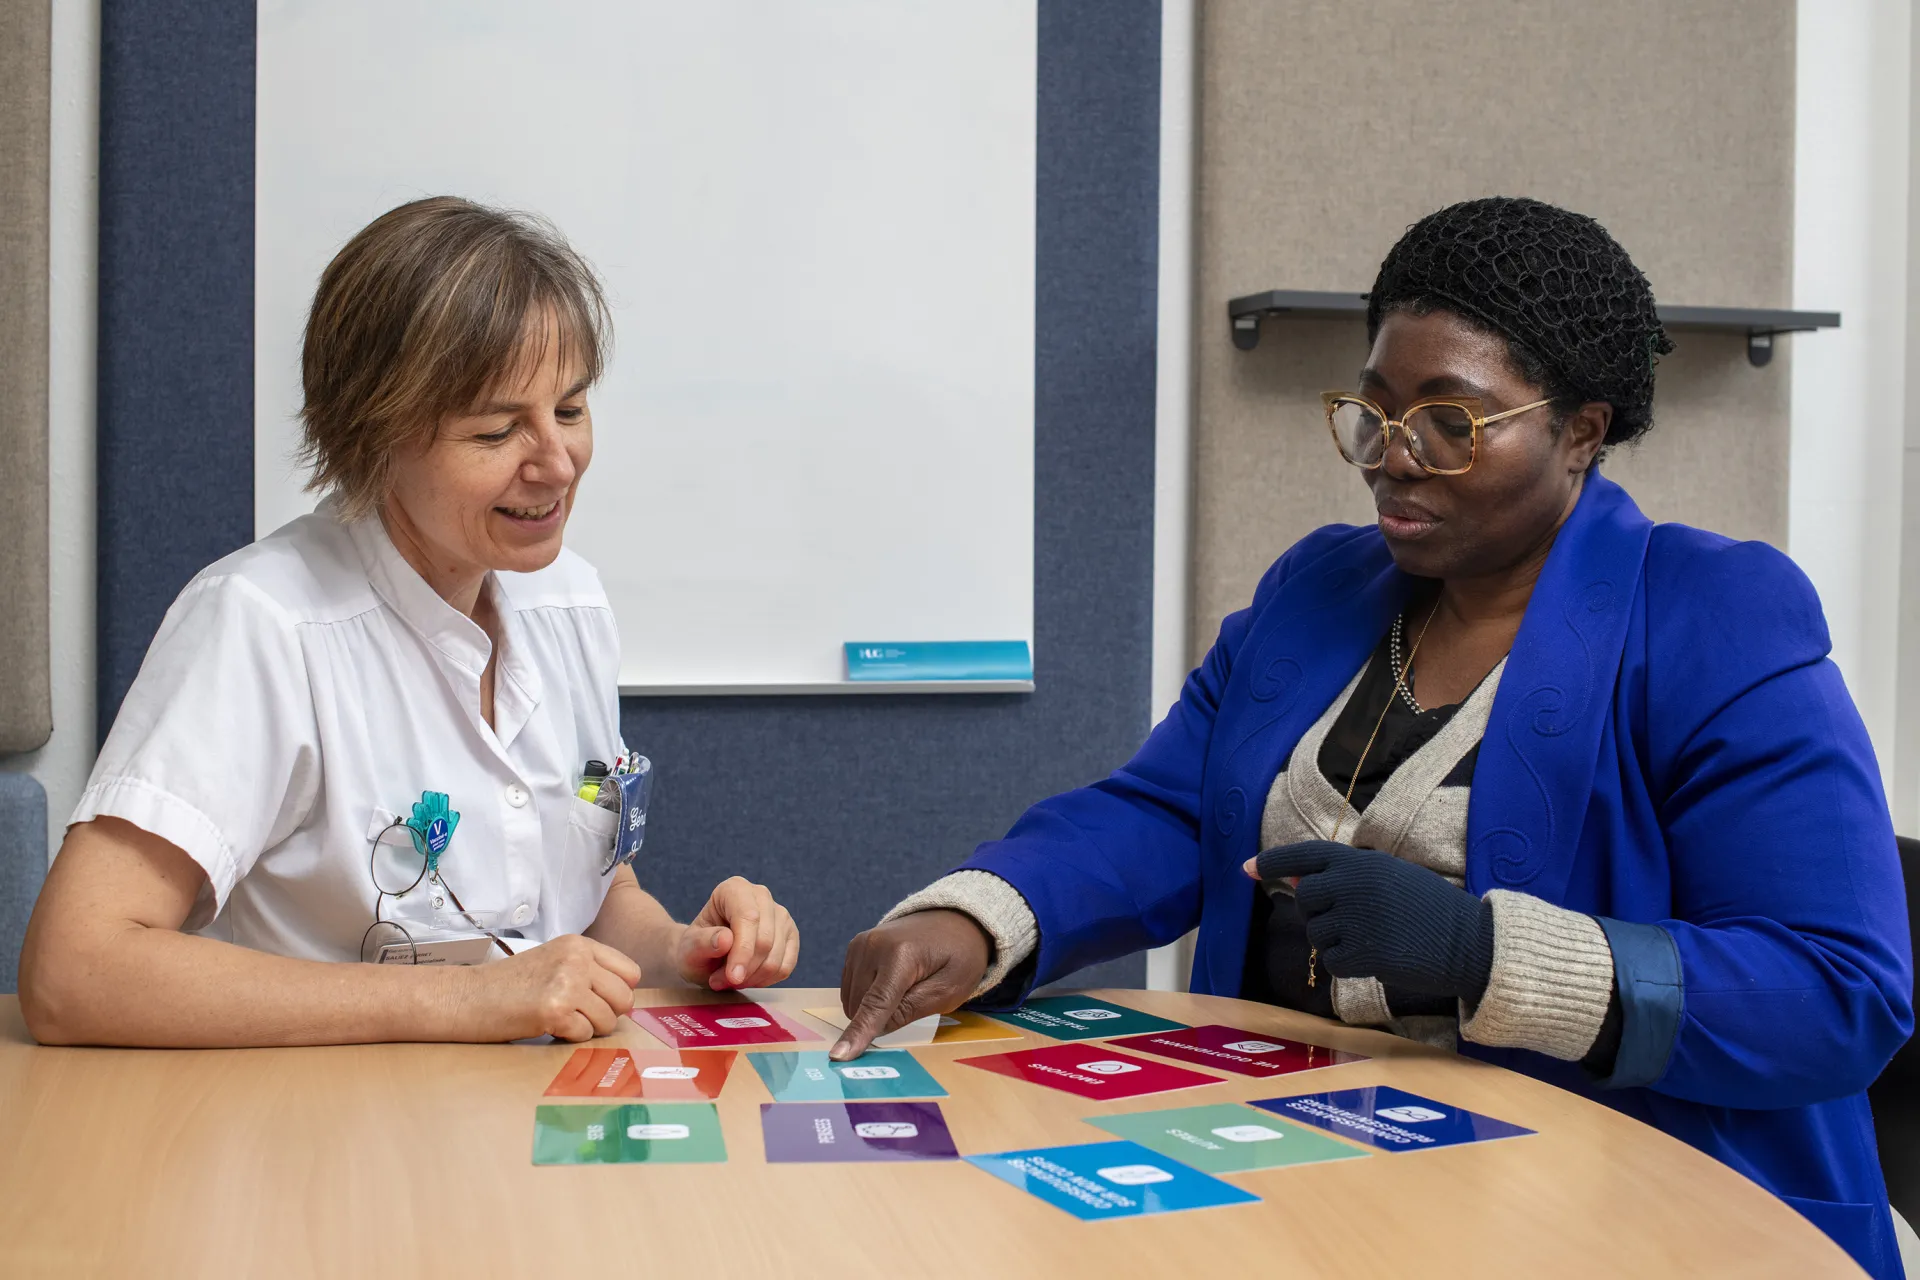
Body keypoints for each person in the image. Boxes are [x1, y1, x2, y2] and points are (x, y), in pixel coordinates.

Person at [833, 198, 1914, 1277]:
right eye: (1375, 410)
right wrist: (981, 916)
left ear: (1582, 428)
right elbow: (1167, 806)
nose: (1393, 458)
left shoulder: (1714, 617)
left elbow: (1838, 988)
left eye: (1455, 422)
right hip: (1292, 1180)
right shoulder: (1320, 585)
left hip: (1615, 1212)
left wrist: (1478, 951)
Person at [20, 197, 798, 1048]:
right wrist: (467, 1000)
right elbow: (75, 970)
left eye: (570, 411)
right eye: (499, 430)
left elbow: (591, 893)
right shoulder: (263, 623)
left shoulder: (569, 603)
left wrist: (681, 950)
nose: (557, 461)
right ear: (374, 436)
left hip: (529, 1124)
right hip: (323, 1136)